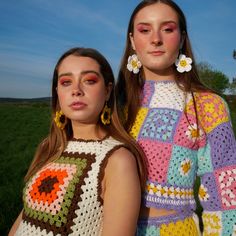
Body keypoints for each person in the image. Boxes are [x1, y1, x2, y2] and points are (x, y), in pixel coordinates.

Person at [115, 0, 236, 235]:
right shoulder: (112, 105)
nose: (156, 39)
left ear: (181, 39)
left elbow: (226, 198)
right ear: (132, 40)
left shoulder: (207, 105)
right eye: (145, 30)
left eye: (168, 29)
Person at [9, 47, 147, 236]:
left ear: (107, 91)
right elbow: (26, 215)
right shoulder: (50, 147)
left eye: (89, 81)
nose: (76, 90)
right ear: (57, 92)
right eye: (66, 82)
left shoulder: (117, 160)